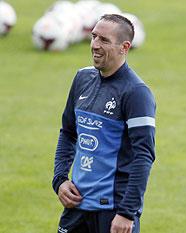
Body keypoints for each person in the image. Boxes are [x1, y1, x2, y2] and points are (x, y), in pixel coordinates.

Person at [52, 14, 156, 233]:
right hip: (77, 206)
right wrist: (60, 179)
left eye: (104, 40)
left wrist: (127, 213)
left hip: (113, 212)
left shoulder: (136, 93)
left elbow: (143, 155)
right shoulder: (82, 79)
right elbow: (68, 133)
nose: (95, 45)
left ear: (124, 47)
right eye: (94, 37)